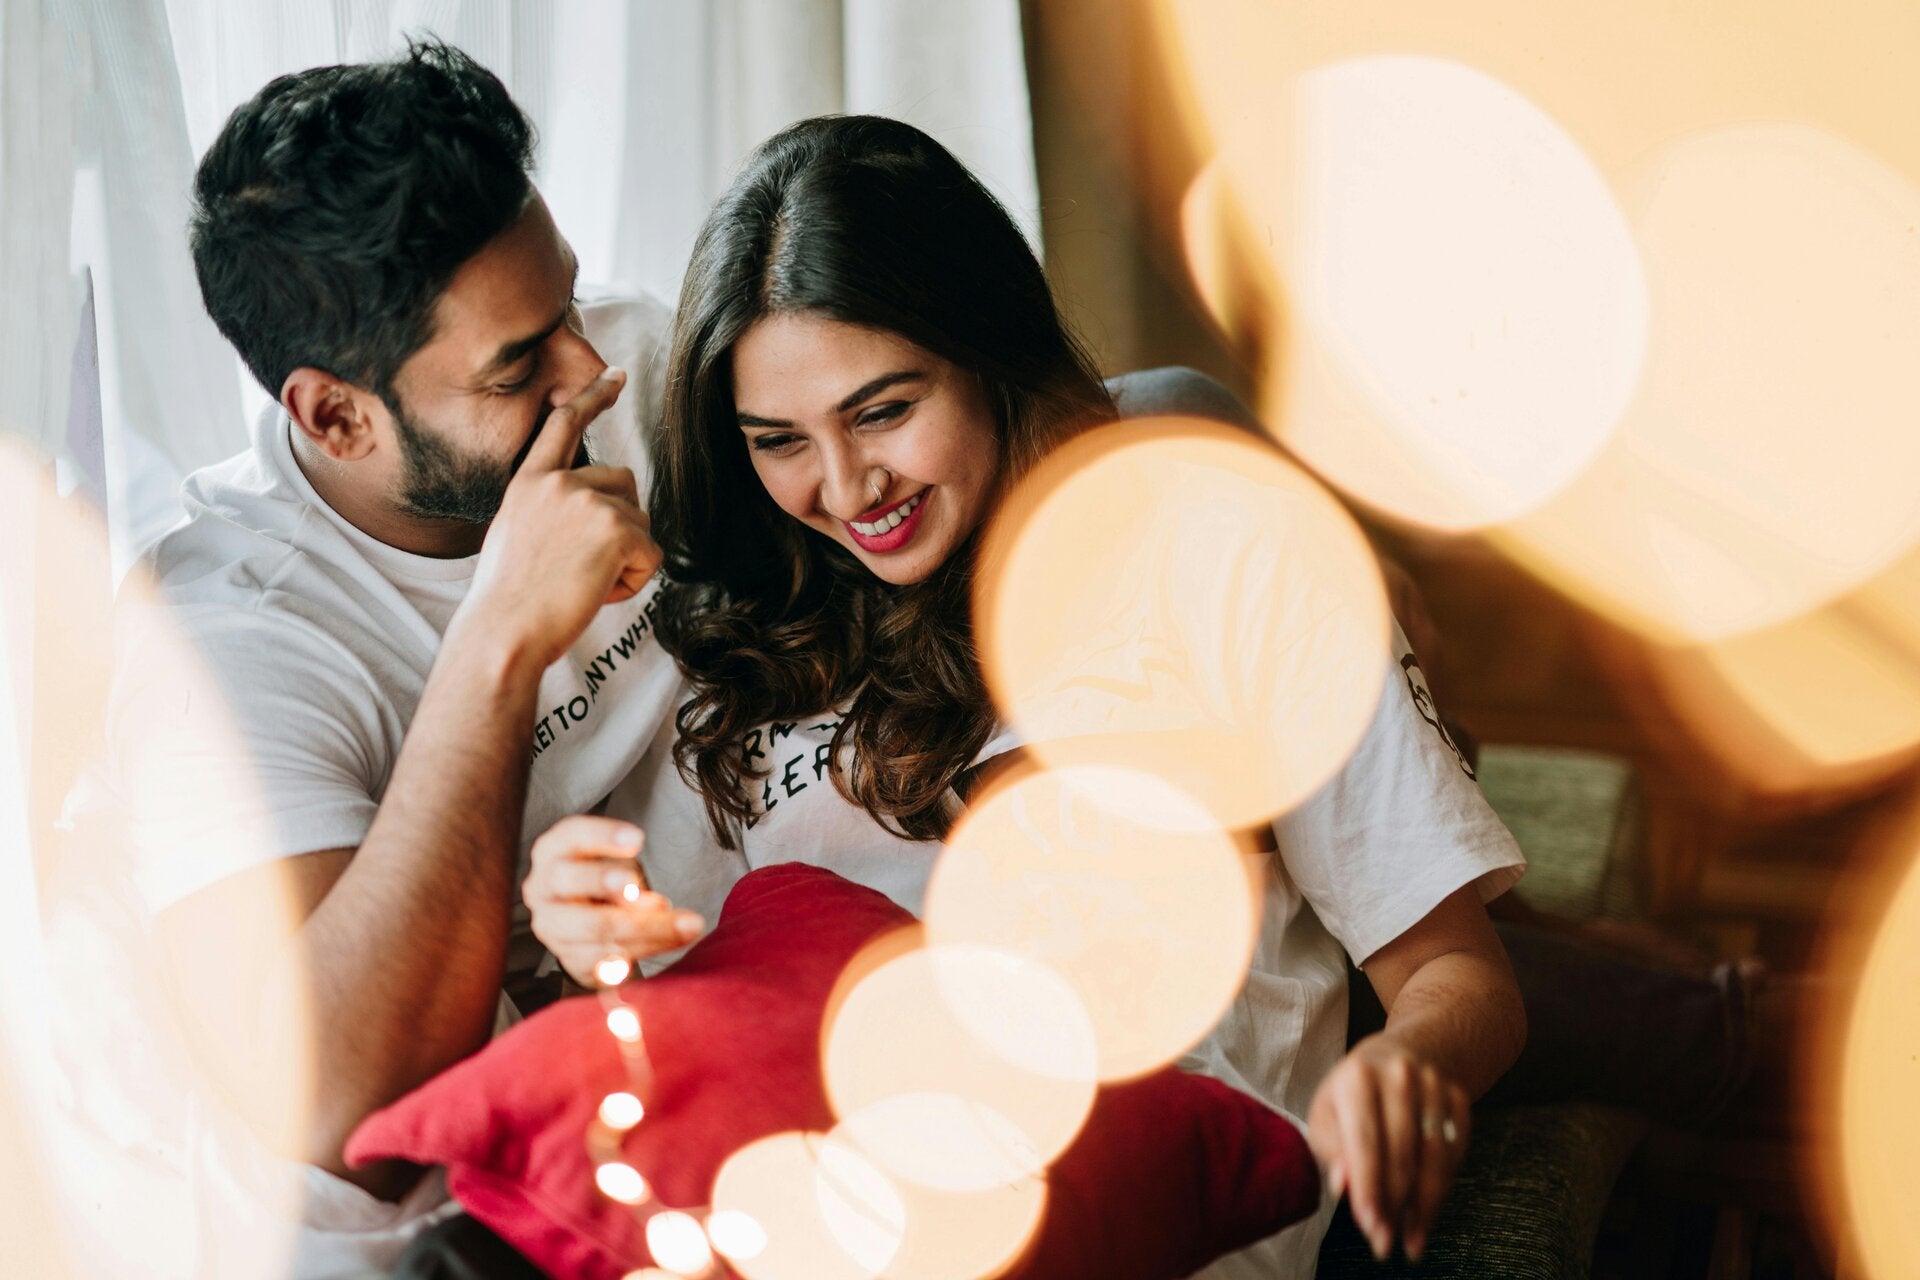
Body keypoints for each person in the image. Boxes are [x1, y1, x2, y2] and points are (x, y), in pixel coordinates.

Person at [525, 114, 1528, 1275]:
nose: (847, 489)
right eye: (777, 439)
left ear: (989, 349)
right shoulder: (738, 641)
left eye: (884, 410)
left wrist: (1411, 1063)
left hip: (1156, 1219)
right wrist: (576, 929)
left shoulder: (1228, 554)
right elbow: (676, 1014)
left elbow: (1458, 972)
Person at [94, 38, 703, 1271]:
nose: (592, 373)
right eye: (519, 365)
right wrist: (499, 633)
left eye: (567, 306)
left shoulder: (643, 363)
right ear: (335, 415)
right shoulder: (224, 634)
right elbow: (335, 1106)